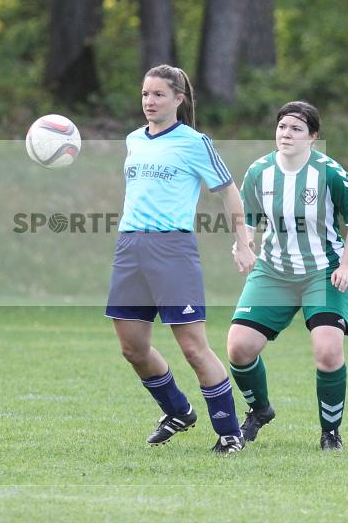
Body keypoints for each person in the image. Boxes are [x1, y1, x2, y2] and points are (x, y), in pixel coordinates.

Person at [105, 64, 256, 454]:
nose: (149, 102)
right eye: (144, 94)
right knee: (132, 348)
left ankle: (229, 432)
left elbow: (229, 191)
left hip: (173, 251)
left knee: (193, 348)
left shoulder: (194, 142)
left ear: (178, 99)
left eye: (158, 94)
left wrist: (242, 242)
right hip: (130, 247)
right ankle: (178, 411)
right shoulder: (134, 139)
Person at [226, 101, 348, 451]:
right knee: (239, 347)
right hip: (274, 271)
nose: (286, 134)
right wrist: (243, 245)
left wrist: (346, 266)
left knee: (328, 352)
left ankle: (330, 432)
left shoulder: (330, 172)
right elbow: (247, 218)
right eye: (282, 127)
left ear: (313, 137)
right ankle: (259, 411)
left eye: (296, 129)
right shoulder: (260, 171)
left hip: (322, 273)